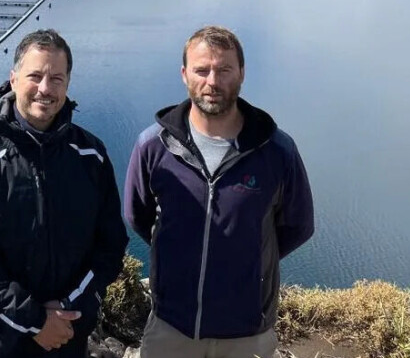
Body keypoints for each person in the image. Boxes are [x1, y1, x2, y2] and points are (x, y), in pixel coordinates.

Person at [124, 25, 314, 358]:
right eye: (202, 70)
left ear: (241, 73)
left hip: (247, 333)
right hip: (171, 326)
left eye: (224, 69)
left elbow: (298, 226)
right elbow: (137, 215)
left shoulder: (276, 151)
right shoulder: (153, 147)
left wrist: (249, 261)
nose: (212, 81)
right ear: (184, 74)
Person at [0, 29, 128, 358]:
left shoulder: (90, 155)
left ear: (68, 84)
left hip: (65, 336)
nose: (45, 88)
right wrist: (36, 321)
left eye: (56, 78)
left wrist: (67, 309)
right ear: (13, 79)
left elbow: (110, 246)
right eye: (35, 76)